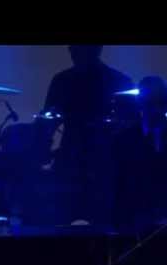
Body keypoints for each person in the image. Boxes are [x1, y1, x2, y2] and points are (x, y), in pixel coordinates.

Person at [40, 45, 137, 226]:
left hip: (91, 161)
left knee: (65, 221)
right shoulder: (118, 80)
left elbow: (48, 122)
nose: (73, 52)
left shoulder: (63, 80)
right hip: (99, 162)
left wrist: (43, 149)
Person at [112, 76, 167, 234]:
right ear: (140, 103)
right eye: (150, 101)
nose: (155, 107)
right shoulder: (122, 140)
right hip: (135, 224)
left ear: (166, 103)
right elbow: (118, 187)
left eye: (159, 101)